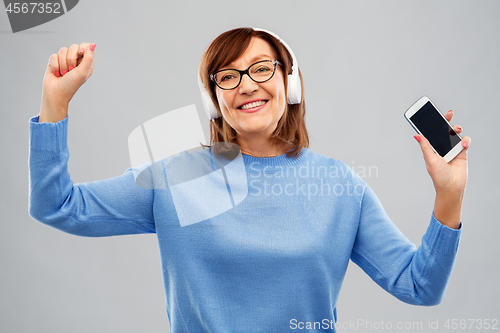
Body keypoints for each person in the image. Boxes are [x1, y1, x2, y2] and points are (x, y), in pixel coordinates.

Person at [29, 27, 470, 332]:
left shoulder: (340, 187)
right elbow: (57, 206)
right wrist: (55, 104)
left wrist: (449, 195)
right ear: (214, 99)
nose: (246, 84)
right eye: (228, 76)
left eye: (262, 68)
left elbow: (420, 286)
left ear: (289, 82)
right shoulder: (176, 176)